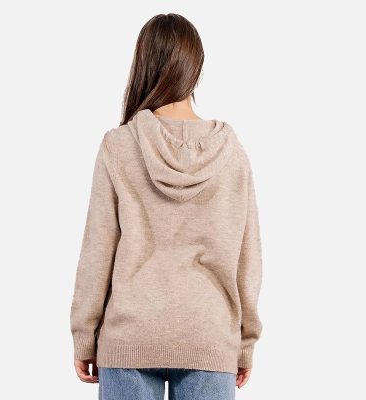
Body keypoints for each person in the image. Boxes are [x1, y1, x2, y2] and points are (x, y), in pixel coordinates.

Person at [70, 13, 263, 400]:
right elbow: (248, 257)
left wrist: (84, 334)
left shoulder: (119, 146)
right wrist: (245, 342)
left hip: (130, 334)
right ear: (196, 68)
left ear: (143, 64)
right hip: (209, 333)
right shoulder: (231, 154)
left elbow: (97, 249)